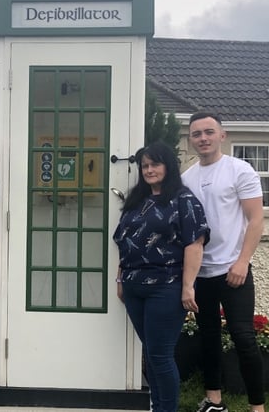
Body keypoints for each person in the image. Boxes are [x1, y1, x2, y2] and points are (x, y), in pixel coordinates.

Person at [113, 142, 210, 412]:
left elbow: (194, 244)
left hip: (165, 289)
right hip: (134, 287)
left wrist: (188, 287)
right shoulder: (136, 201)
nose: (149, 170)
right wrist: (121, 280)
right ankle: (158, 406)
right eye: (144, 165)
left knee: (160, 355)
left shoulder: (184, 200)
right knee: (151, 353)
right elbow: (124, 241)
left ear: (168, 166)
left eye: (155, 164)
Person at [181, 111, 265, 412]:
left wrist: (243, 262)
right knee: (208, 338)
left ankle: (258, 407)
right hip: (202, 273)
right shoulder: (186, 178)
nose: (203, 138)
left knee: (244, 339)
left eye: (208, 132)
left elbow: (256, 220)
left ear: (222, 135)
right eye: (196, 134)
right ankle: (214, 400)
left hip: (234, 271)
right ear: (191, 140)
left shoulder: (239, 170)